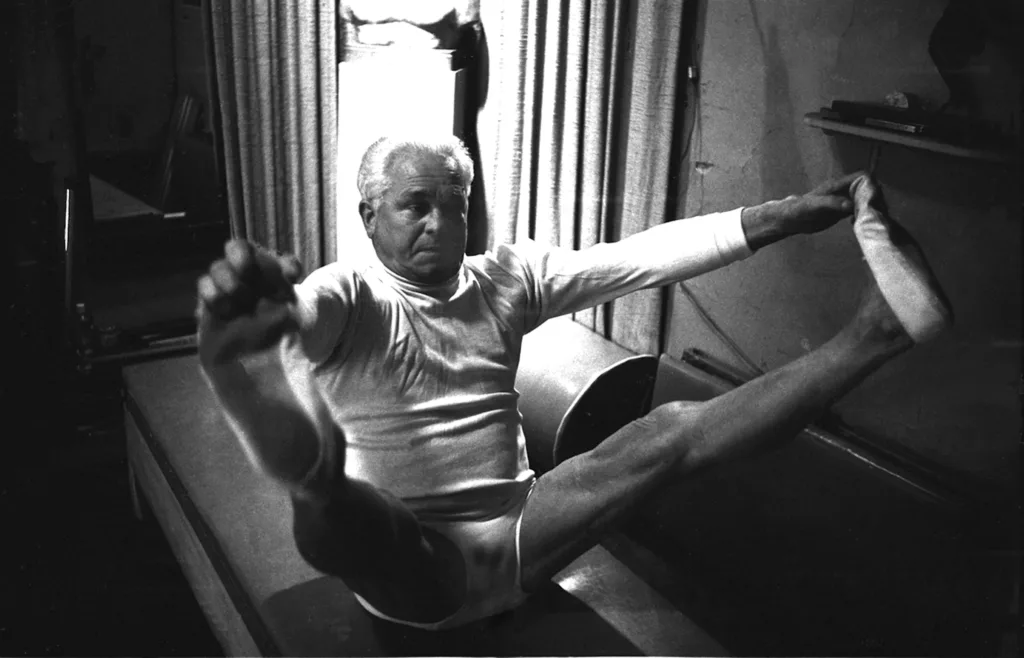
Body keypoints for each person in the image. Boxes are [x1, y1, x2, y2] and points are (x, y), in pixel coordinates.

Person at [195, 133, 952, 630]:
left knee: (667, 432)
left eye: (453, 206)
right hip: (414, 572)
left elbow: (641, 257)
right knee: (354, 514)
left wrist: (787, 214)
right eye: (414, 206)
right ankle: (305, 465)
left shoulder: (508, 278)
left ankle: (878, 332)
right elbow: (305, 311)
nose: (438, 223)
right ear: (369, 217)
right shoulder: (349, 295)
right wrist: (266, 319)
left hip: (523, 531)